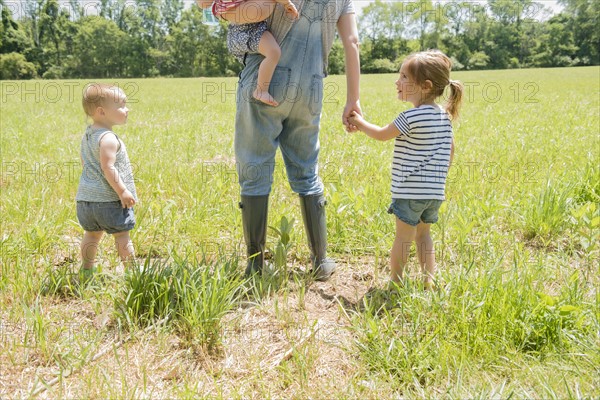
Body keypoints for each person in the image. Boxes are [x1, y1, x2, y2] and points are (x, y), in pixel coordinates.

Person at [232, 0, 361, 280]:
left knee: (255, 168)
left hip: (265, 78)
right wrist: (353, 99)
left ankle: (255, 266)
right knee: (307, 170)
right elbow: (352, 41)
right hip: (312, 86)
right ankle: (321, 260)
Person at [348, 50, 463, 289]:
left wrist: (358, 122)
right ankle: (429, 280)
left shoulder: (411, 116)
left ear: (425, 85)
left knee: (402, 238)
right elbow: (451, 149)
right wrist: (438, 177)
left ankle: (396, 282)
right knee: (424, 236)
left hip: (409, 191)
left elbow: (381, 135)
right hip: (433, 193)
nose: (397, 82)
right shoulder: (444, 116)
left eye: (403, 77)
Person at [76, 83, 137, 279]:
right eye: (120, 105)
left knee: (92, 234)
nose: (126, 109)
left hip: (86, 201)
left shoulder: (87, 135)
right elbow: (108, 167)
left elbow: (85, 161)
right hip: (109, 201)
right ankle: (133, 273)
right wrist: (122, 191)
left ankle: (86, 269)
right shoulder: (108, 138)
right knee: (122, 236)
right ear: (102, 112)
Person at [197, 0, 299, 106]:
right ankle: (261, 90)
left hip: (257, 28)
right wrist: (287, 4)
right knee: (273, 53)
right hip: (240, 30)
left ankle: (261, 90)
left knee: (274, 52)